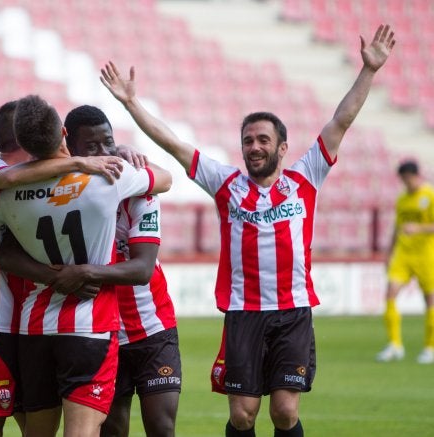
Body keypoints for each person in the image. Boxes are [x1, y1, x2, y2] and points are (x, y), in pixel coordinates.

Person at [99, 24, 395, 437]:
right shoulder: (226, 184)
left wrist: (369, 71)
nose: (254, 147)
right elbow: (175, 145)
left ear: (282, 148)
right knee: (243, 415)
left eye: (262, 140)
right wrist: (132, 103)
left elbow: (340, 122)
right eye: (248, 141)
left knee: (285, 412)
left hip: (293, 312)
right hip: (243, 314)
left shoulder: (306, 177)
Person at [0, 94, 172, 437]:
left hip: (34, 325)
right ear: (63, 134)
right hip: (88, 324)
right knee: (82, 430)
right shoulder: (108, 177)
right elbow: (165, 179)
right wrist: (113, 157)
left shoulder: (5, 196)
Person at [376, 159, 434, 364]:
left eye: (407, 178)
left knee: (430, 299)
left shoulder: (429, 195)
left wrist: (419, 228)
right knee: (390, 292)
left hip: (426, 254)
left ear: (415, 176)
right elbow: (397, 227)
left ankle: (430, 347)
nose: (405, 183)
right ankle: (395, 345)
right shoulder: (402, 199)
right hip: (403, 254)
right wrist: (389, 253)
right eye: (402, 179)